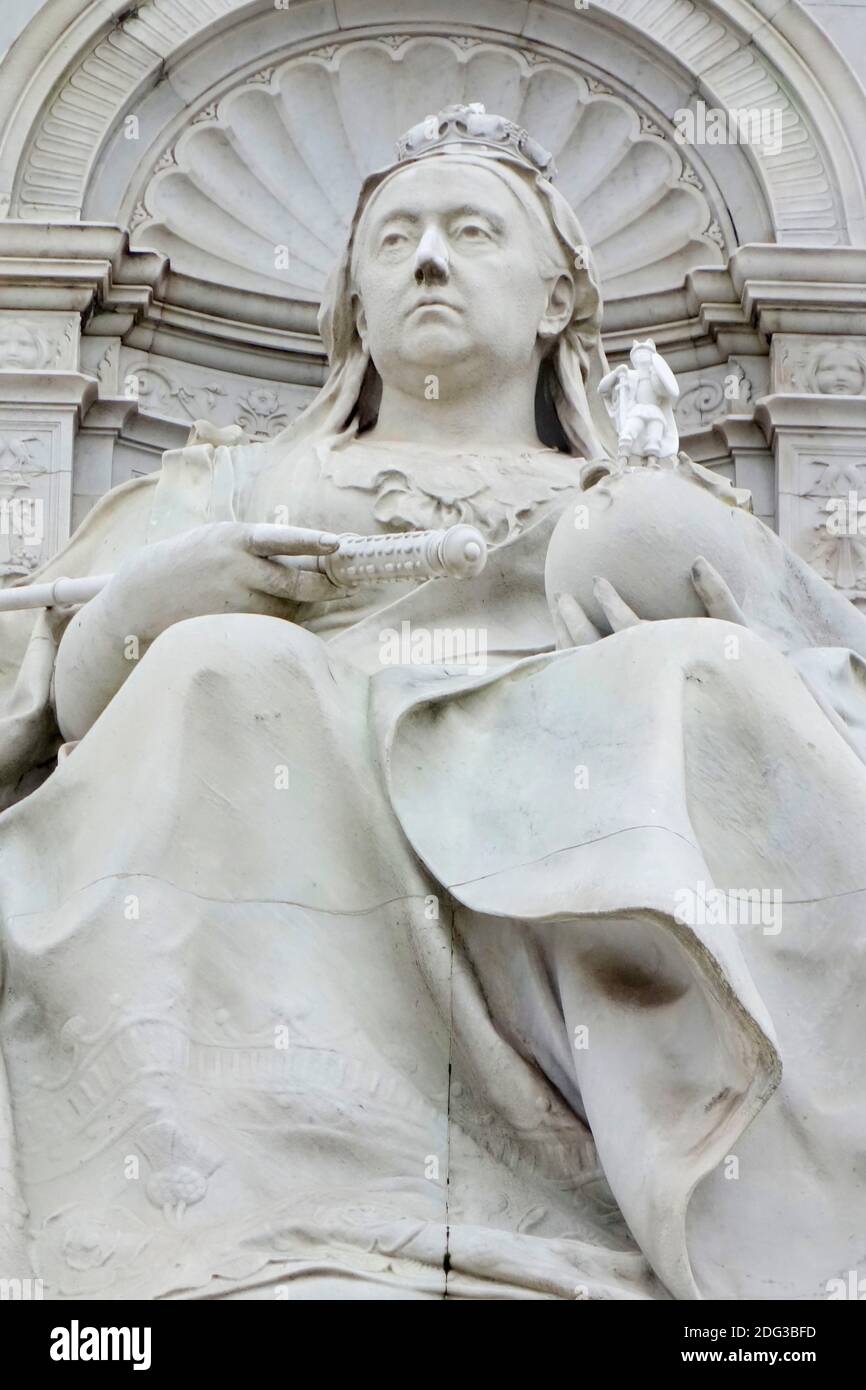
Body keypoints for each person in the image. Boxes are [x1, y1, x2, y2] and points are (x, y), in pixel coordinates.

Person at [0, 104, 865, 1301]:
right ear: (353, 297)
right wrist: (138, 610)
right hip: (287, 815)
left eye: (470, 230)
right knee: (224, 674)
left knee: (702, 684)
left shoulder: (639, 490)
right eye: (395, 236)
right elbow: (51, 725)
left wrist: (670, 580)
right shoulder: (237, 481)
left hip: (567, 814)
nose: (426, 259)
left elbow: (827, 672)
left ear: (557, 299)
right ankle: (273, 1201)